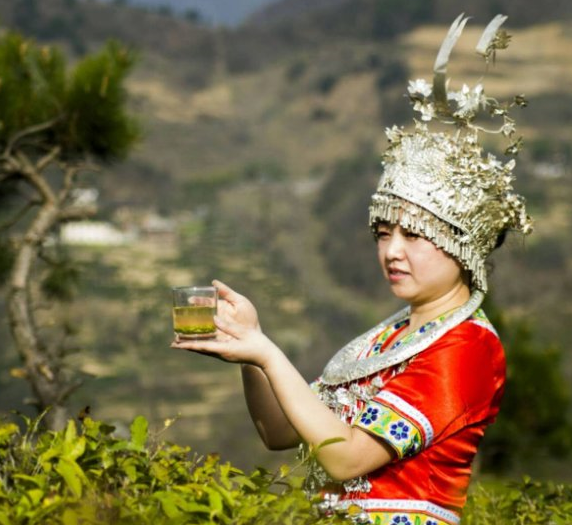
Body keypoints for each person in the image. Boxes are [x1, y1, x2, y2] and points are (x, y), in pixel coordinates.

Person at [172, 13, 533, 525]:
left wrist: (268, 353)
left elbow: (345, 459)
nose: (392, 252)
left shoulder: (468, 347)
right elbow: (279, 433)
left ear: (462, 246)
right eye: (384, 234)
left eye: (413, 235)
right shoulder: (385, 340)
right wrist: (250, 351)